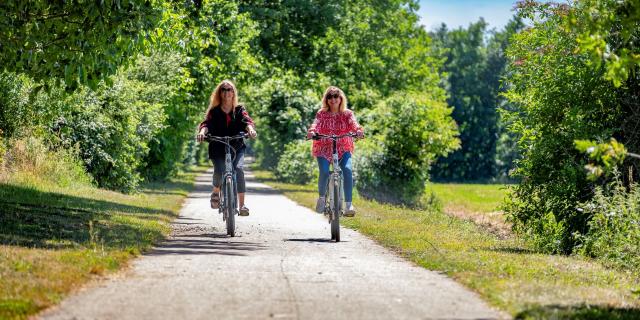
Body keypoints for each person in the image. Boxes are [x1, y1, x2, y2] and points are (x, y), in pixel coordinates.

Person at [197, 80, 257, 216]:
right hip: (218, 146)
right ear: (219, 93)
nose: (226, 92)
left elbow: (247, 121)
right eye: (223, 89)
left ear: (233, 92)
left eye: (229, 89)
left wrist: (251, 130)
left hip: (236, 145)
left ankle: (242, 206)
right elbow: (206, 124)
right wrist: (202, 133)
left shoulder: (239, 109)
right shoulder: (214, 111)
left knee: (239, 169)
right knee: (219, 170)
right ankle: (216, 192)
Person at [306, 86, 364, 217]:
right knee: (325, 172)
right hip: (323, 146)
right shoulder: (321, 113)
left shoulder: (347, 113)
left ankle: (348, 204)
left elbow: (354, 123)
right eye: (329, 96)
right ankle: (321, 198)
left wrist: (358, 131)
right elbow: (316, 123)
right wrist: (312, 131)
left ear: (340, 98)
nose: (333, 99)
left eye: (335, 96)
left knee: (347, 170)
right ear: (326, 100)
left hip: (343, 146)